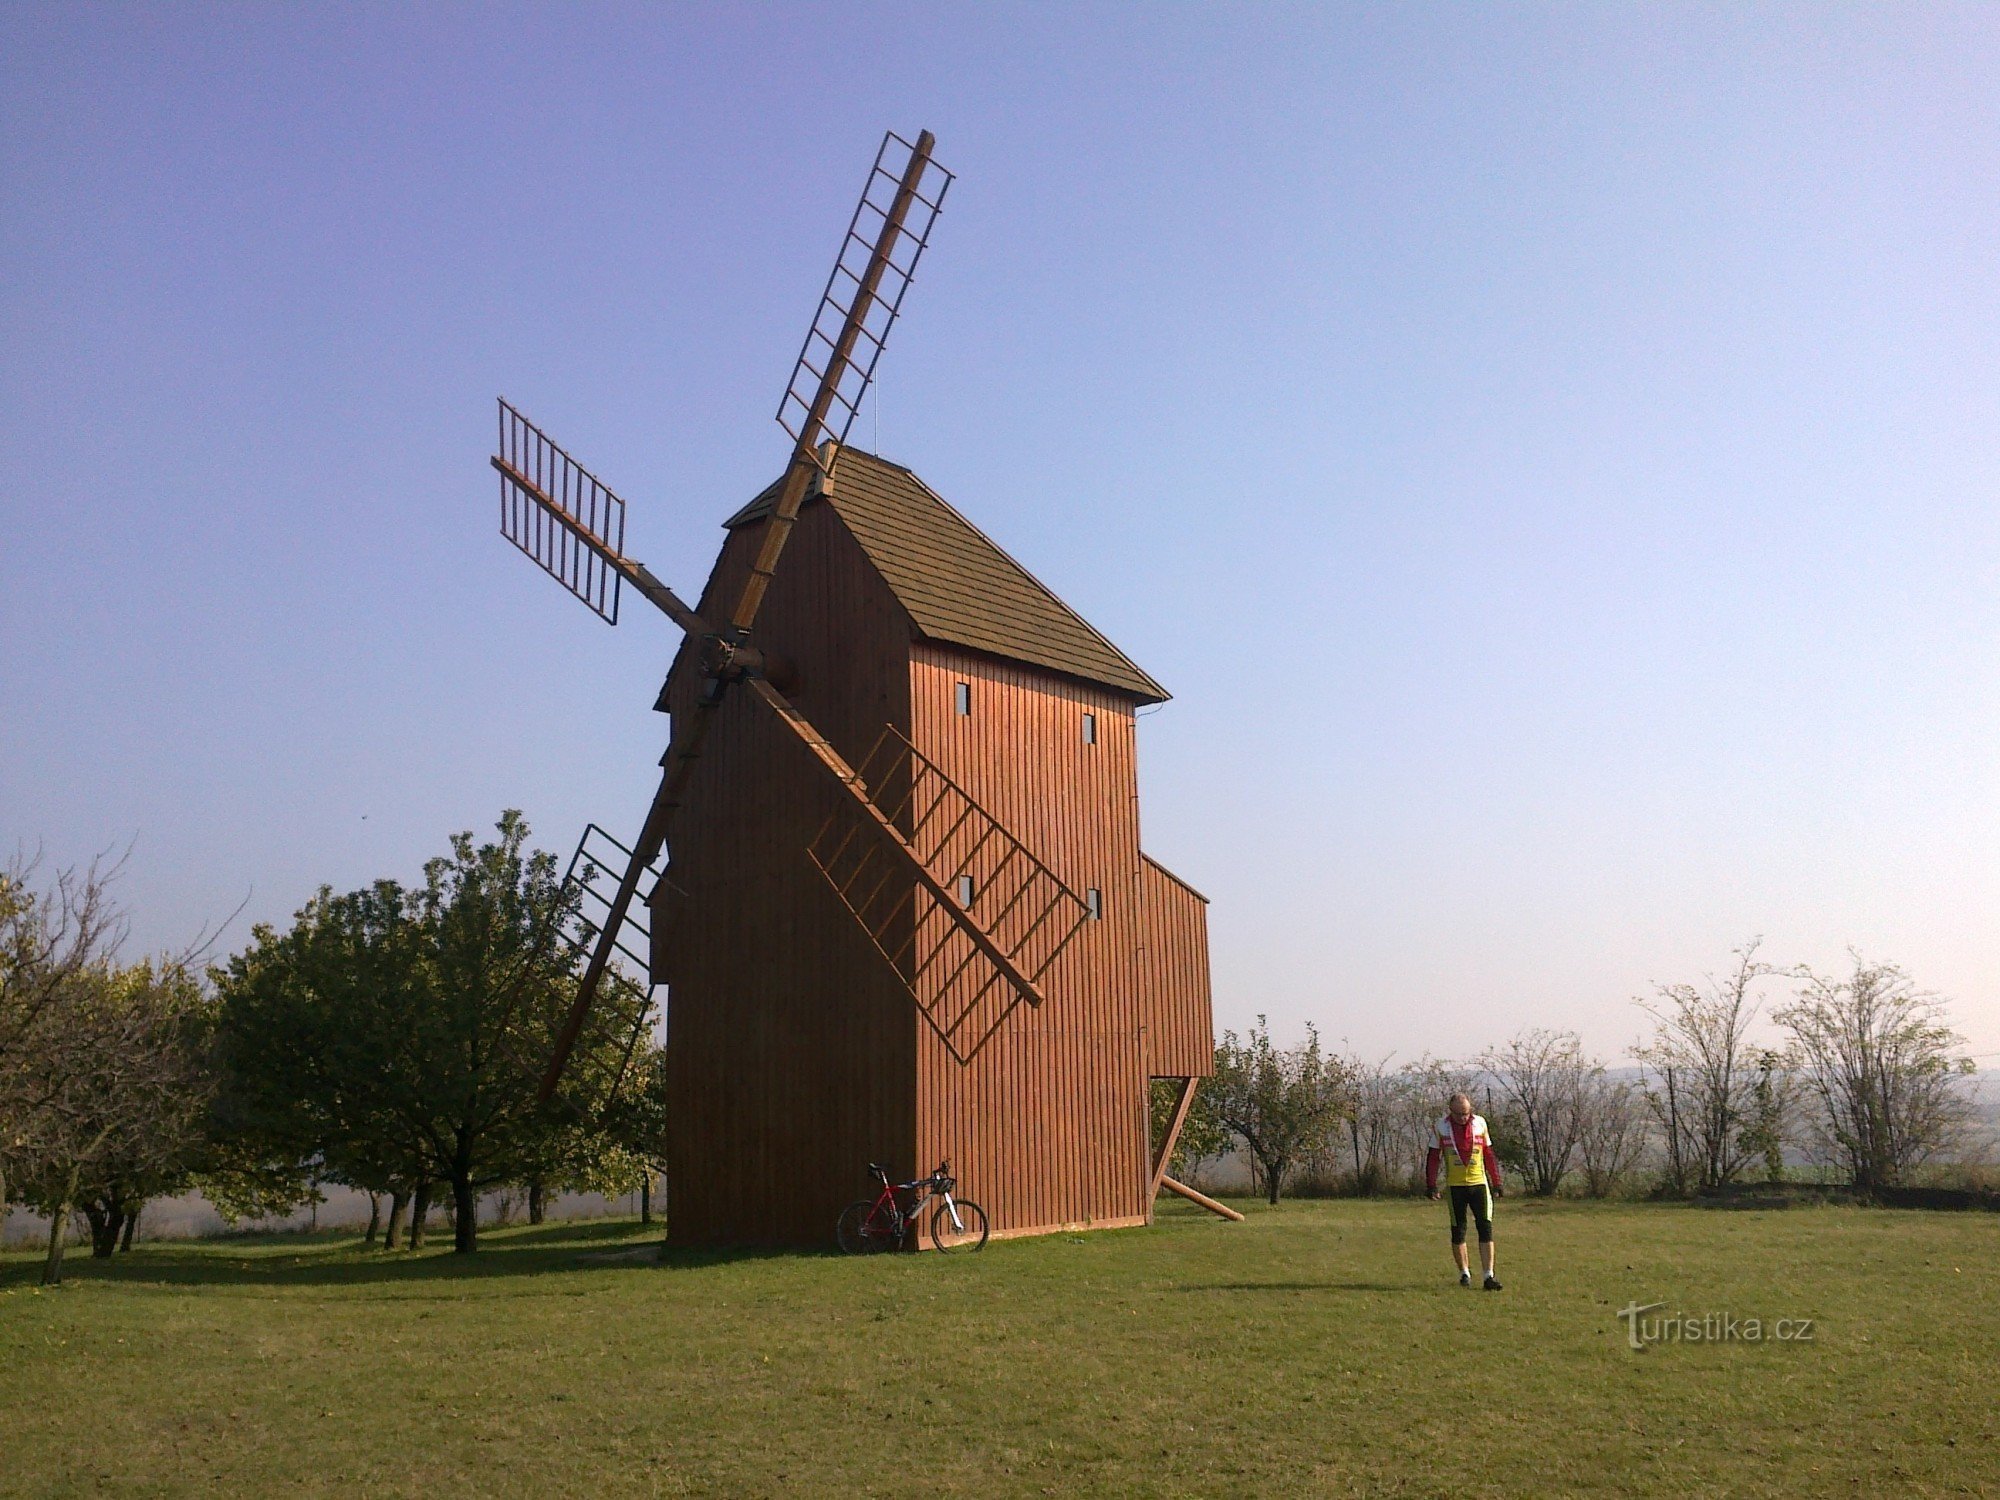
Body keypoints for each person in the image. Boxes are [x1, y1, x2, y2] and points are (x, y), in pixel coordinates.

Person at [1426, 1092, 1503, 1290]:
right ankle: (1464, 1272)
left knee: (1485, 1228)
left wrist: (1497, 1182)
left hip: (1479, 1184)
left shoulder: (1480, 1124)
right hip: (1455, 1187)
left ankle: (1488, 1276)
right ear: (1450, 1112)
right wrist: (1431, 1184)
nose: (1463, 1118)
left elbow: (1488, 1154)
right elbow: (1434, 1156)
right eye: (1459, 1114)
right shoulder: (1441, 1127)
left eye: (1466, 1113)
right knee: (1458, 1231)